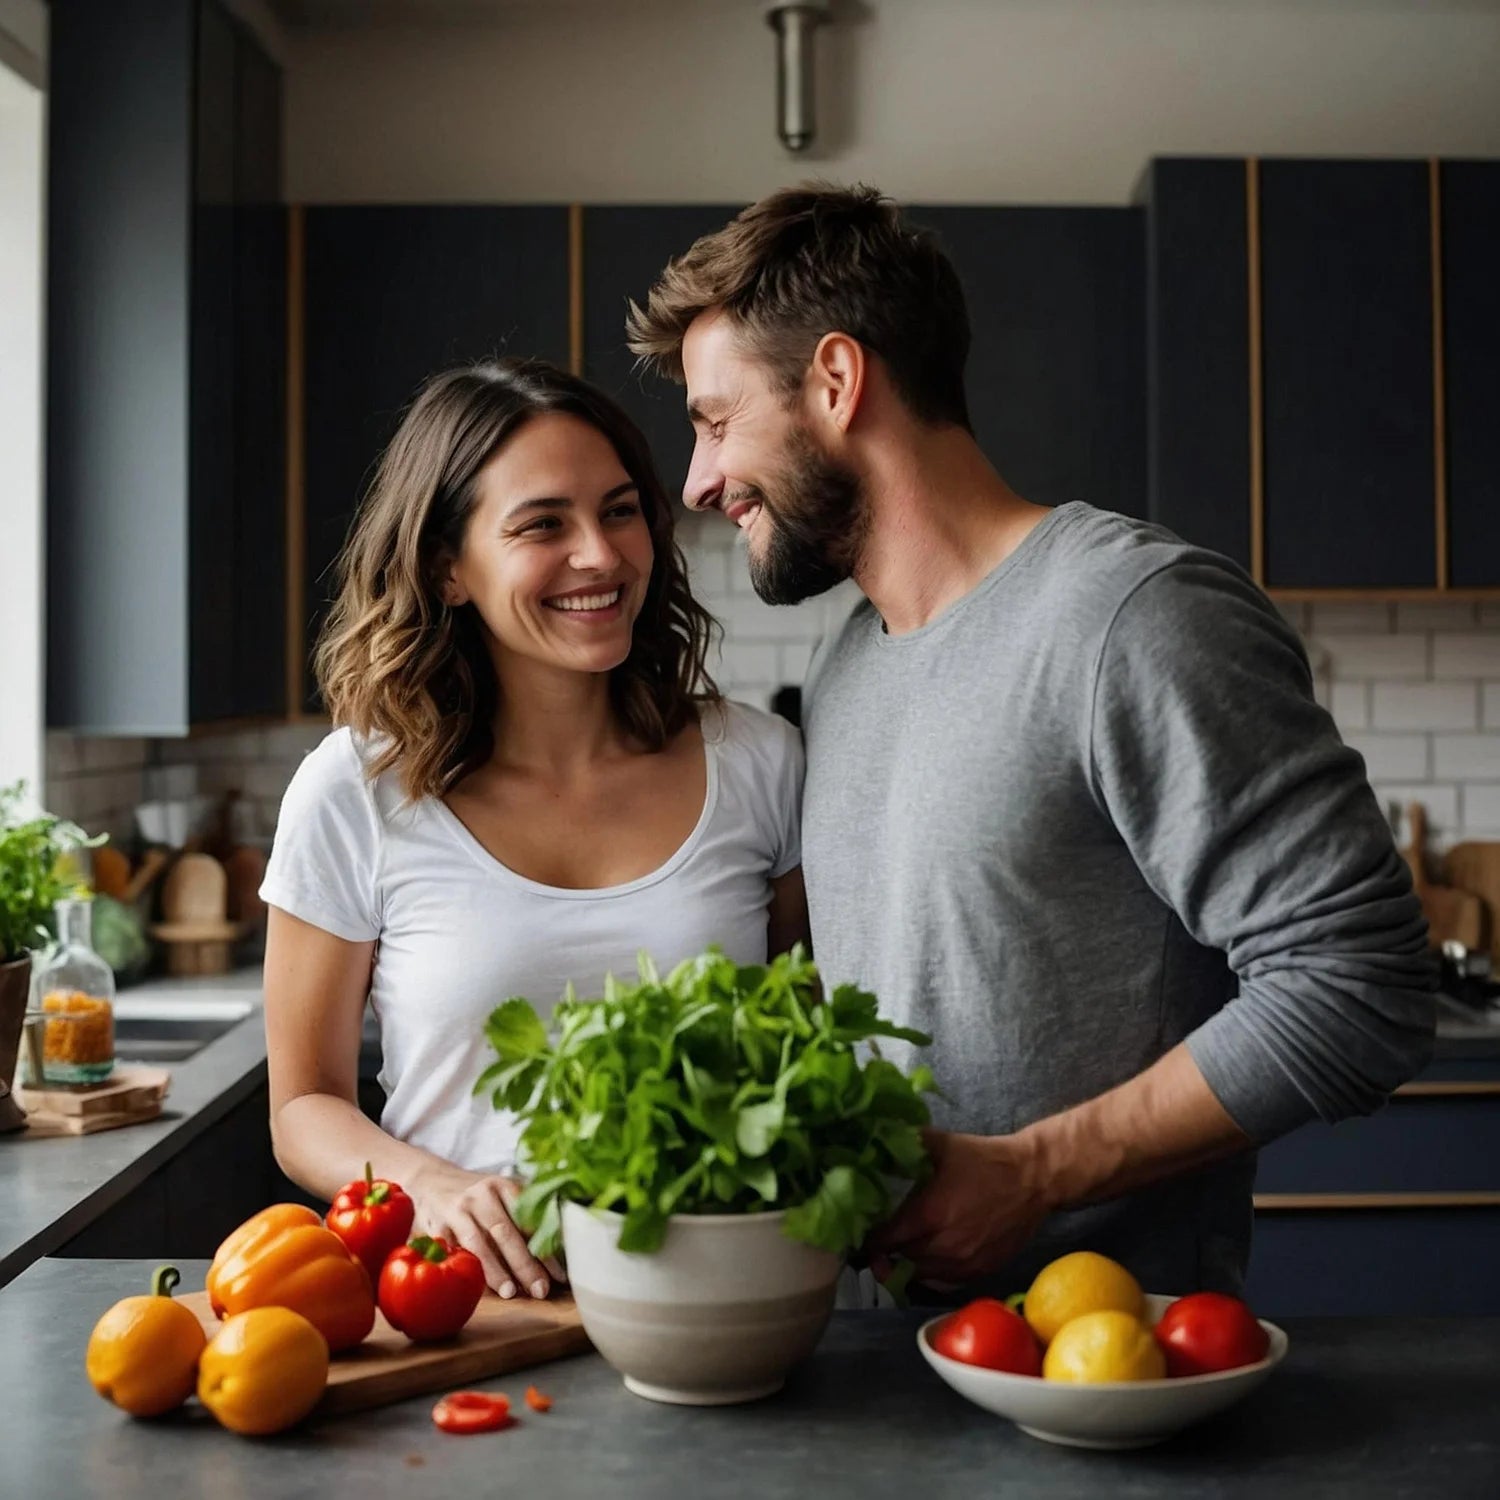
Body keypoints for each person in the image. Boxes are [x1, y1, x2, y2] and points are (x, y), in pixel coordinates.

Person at [625, 183, 1436, 1299]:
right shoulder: (852, 659)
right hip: (878, 1370)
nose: (698, 481)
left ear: (836, 380)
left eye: (717, 422)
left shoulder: (1134, 618)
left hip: (1098, 1375)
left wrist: (1033, 1174)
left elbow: (1364, 983)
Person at [259, 359, 808, 1301]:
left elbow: (808, 1048)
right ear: (448, 567)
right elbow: (303, 1106)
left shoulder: (760, 765)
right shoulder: (355, 793)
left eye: (621, 510)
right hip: (464, 1309)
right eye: (542, 524)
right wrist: (428, 1185)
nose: (599, 554)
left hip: (718, 1297)